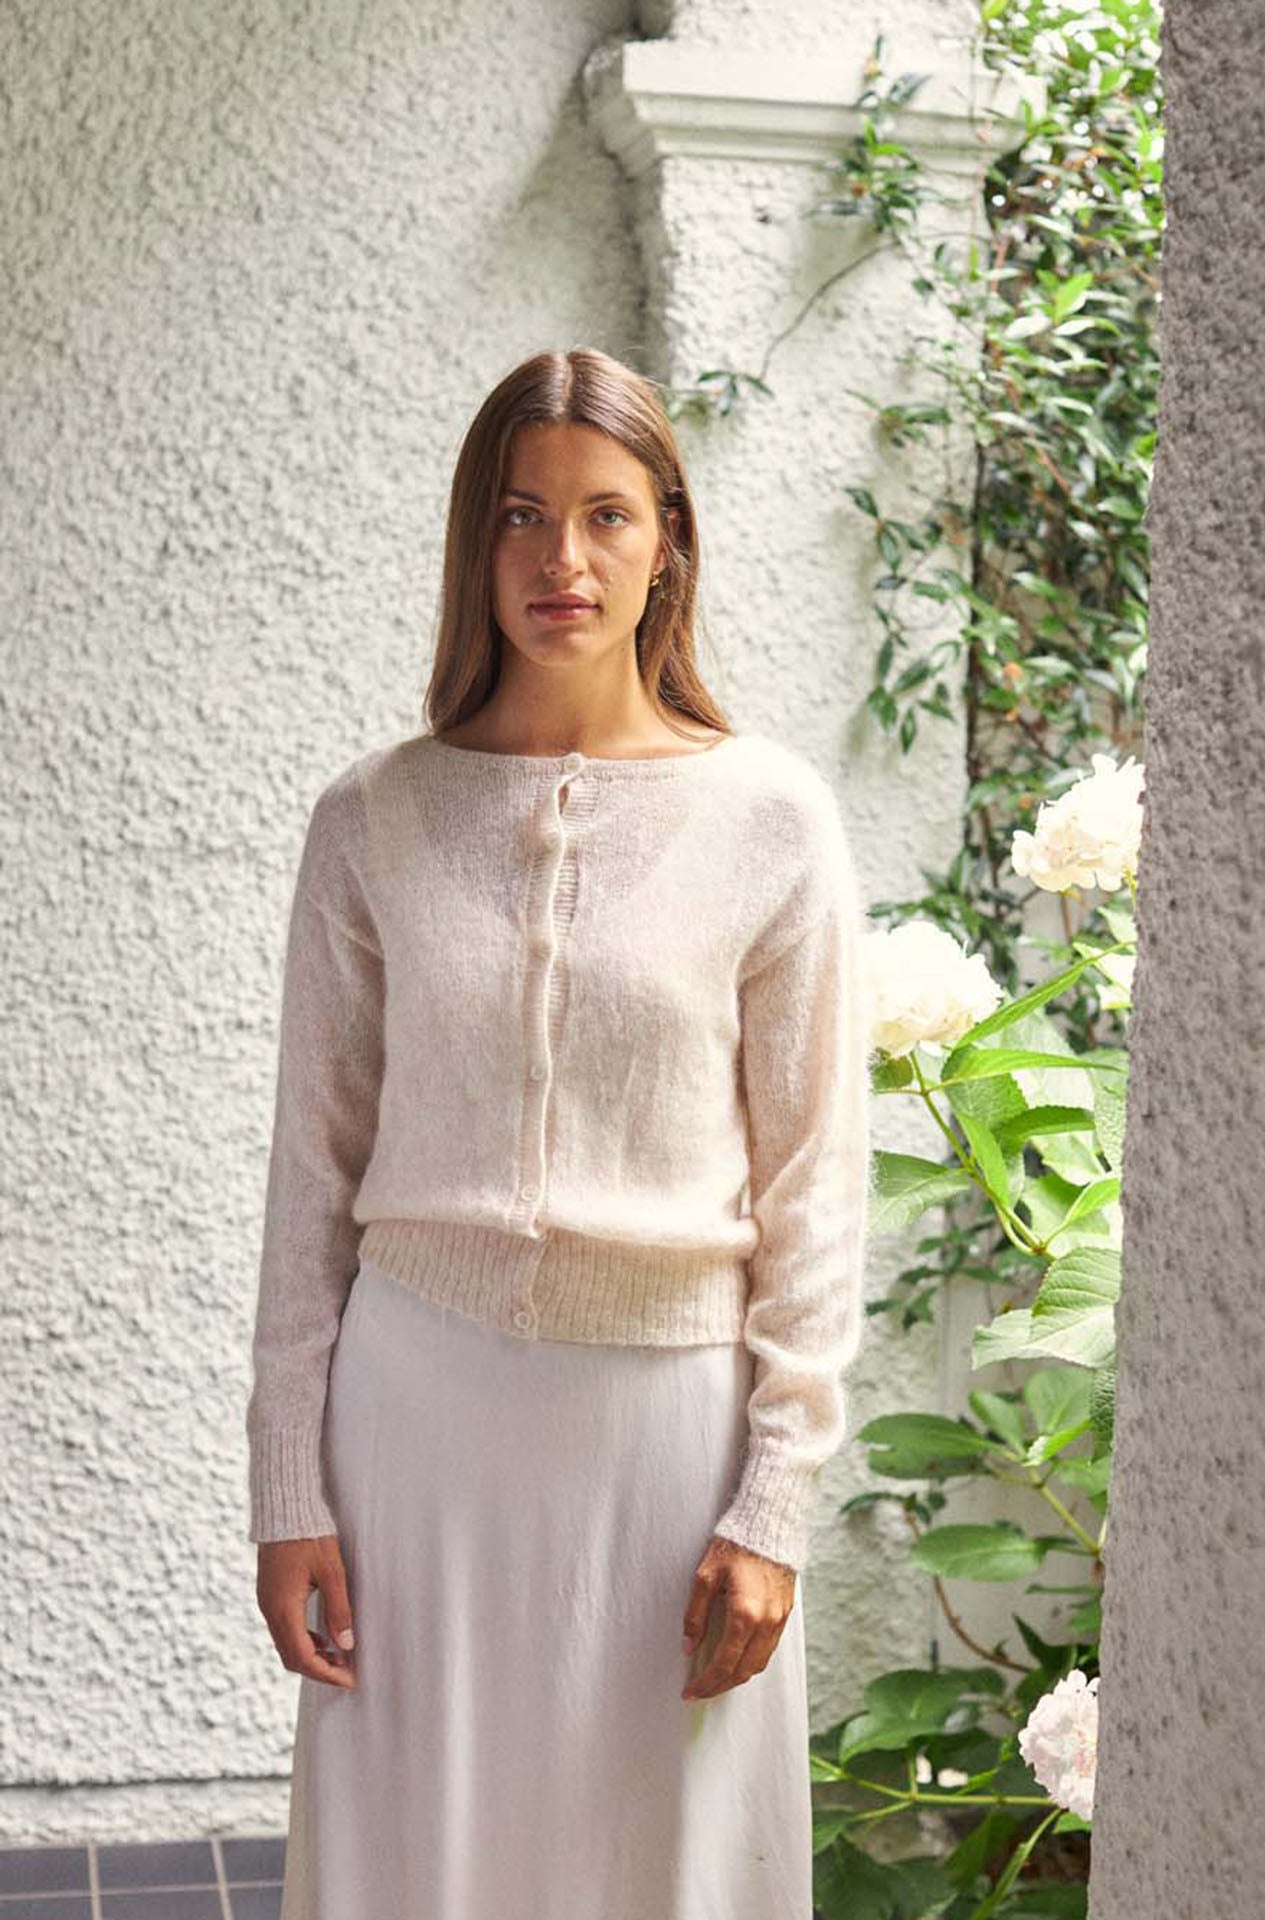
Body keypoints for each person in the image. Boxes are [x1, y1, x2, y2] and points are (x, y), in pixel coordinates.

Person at [246, 346, 875, 1919]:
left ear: (669, 541)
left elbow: (816, 1192)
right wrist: (286, 1487)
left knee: (665, 1862)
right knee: (418, 1858)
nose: (562, 560)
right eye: (521, 515)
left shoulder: (774, 822)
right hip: (415, 1432)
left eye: (606, 516)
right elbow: (311, 1178)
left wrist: (776, 1503)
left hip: (669, 1442)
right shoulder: (373, 819)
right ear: (477, 541)